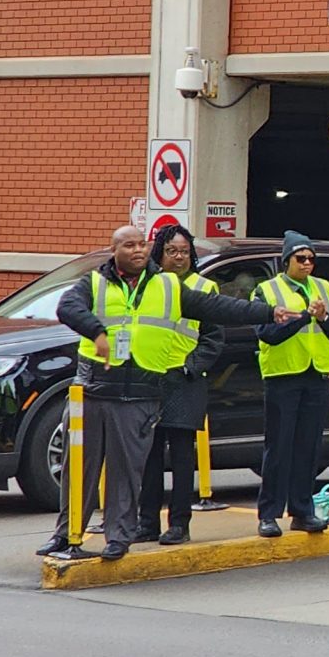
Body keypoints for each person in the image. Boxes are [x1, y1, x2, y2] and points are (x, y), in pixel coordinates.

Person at [37, 225, 278, 560]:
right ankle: (65, 535)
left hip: (141, 393)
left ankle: (117, 538)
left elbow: (219, 307)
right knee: (79, 470)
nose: (138, 250)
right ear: (114, 250)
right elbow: (68, 308)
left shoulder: (168, 287)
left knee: (126, 471)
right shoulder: (94, 283)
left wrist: (269, 313)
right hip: (93, 390)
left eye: (142, 244)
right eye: (129, 245)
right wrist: (97, 331)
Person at [253, 232, 329, 538]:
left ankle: (302, 510)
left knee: (308, 448)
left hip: (317, 375)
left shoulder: (324, 289)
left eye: (311, 258)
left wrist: (323, 318)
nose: (308, 264)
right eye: (301, 258)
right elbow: (267, 334)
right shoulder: (267, 291)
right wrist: (302, 319)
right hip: (283, 376)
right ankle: (269, 514)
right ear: (287, 261)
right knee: (279, 447)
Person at [135, 223, 223, 545]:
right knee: (150, 453)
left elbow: (213, 338)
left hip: (185, 380)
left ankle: (179, 524)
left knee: (183, 454)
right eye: (172, 251)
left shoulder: (204, 287)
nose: (179, 257)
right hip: (152, 377)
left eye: (185, 252)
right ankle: (147, 524)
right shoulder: (150, 285)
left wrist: (192, 366)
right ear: (160, 253)